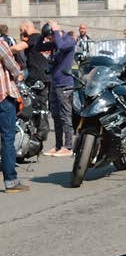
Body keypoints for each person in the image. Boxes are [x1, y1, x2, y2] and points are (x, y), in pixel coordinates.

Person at [0, 37, 30, 193]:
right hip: (3, 98)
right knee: (7, 138)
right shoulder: (0, 44)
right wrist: (19, 74)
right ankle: (11, 181)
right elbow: (14, 67)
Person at [44, 23, 77, 158]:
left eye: (50, 37)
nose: (49, 40)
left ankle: (68, 146)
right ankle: (58, 145)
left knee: (65, 116)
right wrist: (43, 34)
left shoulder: (68, 40)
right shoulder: (55, 42)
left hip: (65, 84)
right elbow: (39, 47)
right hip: (55, 83)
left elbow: (61, 46)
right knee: (56, 115)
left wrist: (56, 30)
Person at [17, 20, 53, 107]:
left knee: (36, 105)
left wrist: (5, 50)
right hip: (46, 75)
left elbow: (17, 48)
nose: (21, 33)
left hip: (36, 76)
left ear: (26, 27)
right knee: (43, 103)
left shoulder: (33, 38)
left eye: (21, 30)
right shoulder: (41, 38)